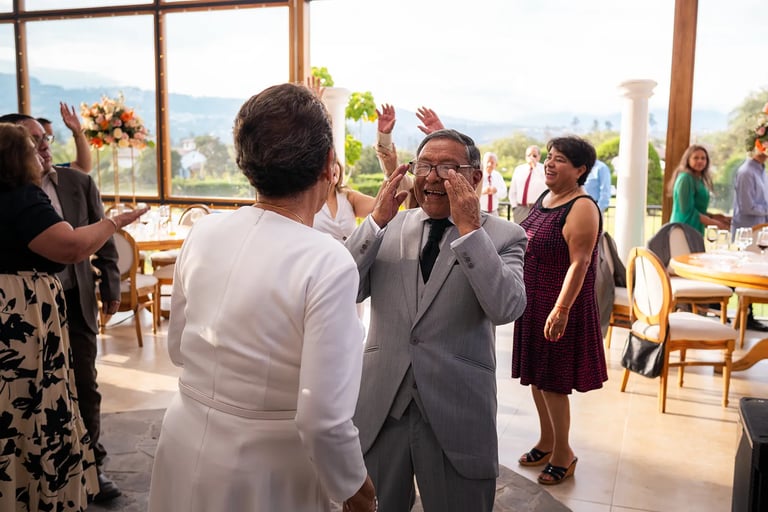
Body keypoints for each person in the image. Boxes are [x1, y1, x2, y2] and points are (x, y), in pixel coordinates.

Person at [148, 83, 376, 512]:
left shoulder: (204, 231)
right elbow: (322, 420)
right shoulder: (327, 261)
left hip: (184, 435)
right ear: (330, 165)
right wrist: (357, 490)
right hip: (267, 468)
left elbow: (178, 349)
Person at [345, 129, 528, 511]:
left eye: (447, 168)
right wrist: (376, 222)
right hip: (382, 406)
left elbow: (507, 306)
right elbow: (345, 288)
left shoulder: (505, 235)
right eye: (425, 165)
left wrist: (470, 230)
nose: (431, 176)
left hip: (457, 406)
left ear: (474, 178)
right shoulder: (390, 225)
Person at [0, 122, 145, 511]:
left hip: (64, 303)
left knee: (81, 384)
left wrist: (109, 286)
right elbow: (71, 246)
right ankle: (38, 487)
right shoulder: (22, 197)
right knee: (34, 399)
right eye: (35, 145)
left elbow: (101, 254)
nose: (43, 150)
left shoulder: (72, 182)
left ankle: (83, 467)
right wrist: (115, 222)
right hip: (25, 317)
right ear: (18, 158)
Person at [511, 135, 607, 486]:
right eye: (550, 157)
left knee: (553, 383)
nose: (550, 163)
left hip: (559, 303)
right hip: (534, 301)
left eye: (560, 159)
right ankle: (547, 440)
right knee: (537, 377)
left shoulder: (582, 207)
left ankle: (564, 454)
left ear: (581, 170)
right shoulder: (546, 198)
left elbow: (580, 262)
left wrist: (562, 308)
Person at [669, 144, 730, 235]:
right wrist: (716, 224)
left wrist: (715, 217)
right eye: (696, 158)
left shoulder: (699, 179)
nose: (700, 161)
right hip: (682, 230)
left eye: (703, 158)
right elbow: (687, 211)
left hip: (695, 230)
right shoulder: (685, 178)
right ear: (688, 160)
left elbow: (698, 209)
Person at [314, 160, 376, 242]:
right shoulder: (307, 201)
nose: (331, 167)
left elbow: (379, 207)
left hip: (353, 254)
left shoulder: (348, 196)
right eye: (325, 163)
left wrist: (388, 174)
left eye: (334, 162)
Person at [37, 101, 92, 173]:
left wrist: (78, 132)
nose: (45, 146)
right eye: (37, 139)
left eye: (48, 139)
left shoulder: (54, 173)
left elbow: (82, 167)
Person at [508, 145, 547, 223]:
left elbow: (546, 185)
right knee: (519, 233)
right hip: (520, 209)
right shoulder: (519, 169)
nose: (531, 157)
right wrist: (514, 207)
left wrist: (535, 167)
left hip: (537, 209)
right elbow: (513, 190)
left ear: (539, 157)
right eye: (529, 155)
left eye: (534, 155)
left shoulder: (544, 170)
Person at [479, 151, 507, 216]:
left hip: (494, 212)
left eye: (492, 162)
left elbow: (504, 193)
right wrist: (482, 191)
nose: (489, 164)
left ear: (496, 164)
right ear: (483, 163)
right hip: (479, 212)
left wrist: (496, 191)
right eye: (487, 162)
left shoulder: (498, 176)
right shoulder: (478, 175)